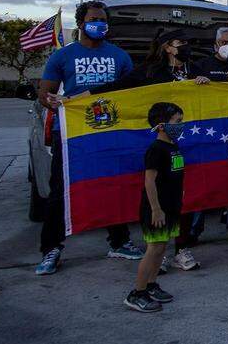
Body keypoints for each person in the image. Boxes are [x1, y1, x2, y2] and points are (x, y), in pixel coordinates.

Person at [88, 28, 210, 273]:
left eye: (188, 43)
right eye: (180, 42)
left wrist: (207, 83)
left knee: (184, 195)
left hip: (189, 142)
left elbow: (217, 96)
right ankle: (158, 251)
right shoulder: (149, 71)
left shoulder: (195, 70)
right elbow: (116, 87)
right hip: (160, 144)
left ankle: (181, 248)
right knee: (159, 195)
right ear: (166, 46)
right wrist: (71, 99)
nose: (185, 46)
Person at [35, 0, 139, 275]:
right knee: (61, 191)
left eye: (103, 20)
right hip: (72, 135)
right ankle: (51, 249)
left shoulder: (119, 56)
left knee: (113, 184)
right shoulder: (63, 56)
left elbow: (130, 92)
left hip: (109, 132)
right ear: (81, 23)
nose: (100, 24)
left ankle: (119, 242)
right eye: (94, 19)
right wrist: (56, 103)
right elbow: (44, 94)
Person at [125, 102, 185, 313]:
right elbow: (149, 181)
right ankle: (137, 293)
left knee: (161, 248)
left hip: (171, 206)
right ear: (161, 126)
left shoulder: (173, 146)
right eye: (177, 121)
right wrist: (156, 209)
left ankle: (151, 284)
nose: (180, 125)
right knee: (153, 249)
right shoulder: (156, 149)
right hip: (157, 210)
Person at [190, 26, 228, 244]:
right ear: (215, 44)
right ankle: (194, 230)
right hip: (207, 131)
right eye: (224, 42)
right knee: (203, 178)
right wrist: (198, 83)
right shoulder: (201, 65)